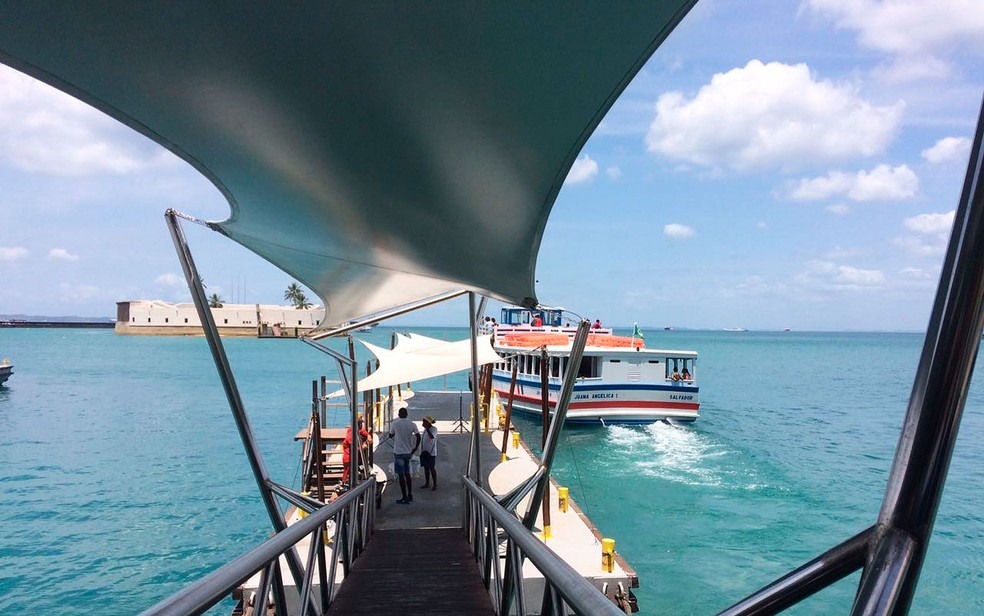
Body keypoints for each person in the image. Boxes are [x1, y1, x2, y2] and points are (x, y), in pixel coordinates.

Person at [388, 405, 420, 504]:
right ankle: (410, 494)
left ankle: (404, 496)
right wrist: (414, 448)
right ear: (406, 414)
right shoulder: (412, 424)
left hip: (398, 452)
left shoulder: (395, 423)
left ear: (398, 415)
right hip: (408, 452)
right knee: (407, 474)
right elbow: (418, 436)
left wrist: (393, 435)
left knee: (401, 475)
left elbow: (391, 434)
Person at [341, 414, 371, 486]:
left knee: (358, 473)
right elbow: (353, 448)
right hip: (349, 458)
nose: (361, 425)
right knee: (347, 476)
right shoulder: (351, 434)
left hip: (355, 458)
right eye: (360, 423)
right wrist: (362, 447)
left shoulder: (357, 430)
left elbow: (363, 432)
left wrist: (368, 436)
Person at [419, 415, 439, 490]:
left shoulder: (434, 429)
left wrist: (427, 429)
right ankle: (427, 483)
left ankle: (435, 484)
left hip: (431, 453)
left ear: (428, 423)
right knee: (426, 468)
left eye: (424, 422)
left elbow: (432, 437)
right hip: (424, 452)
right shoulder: (425, 430)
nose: (422, 423)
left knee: (431, 468)